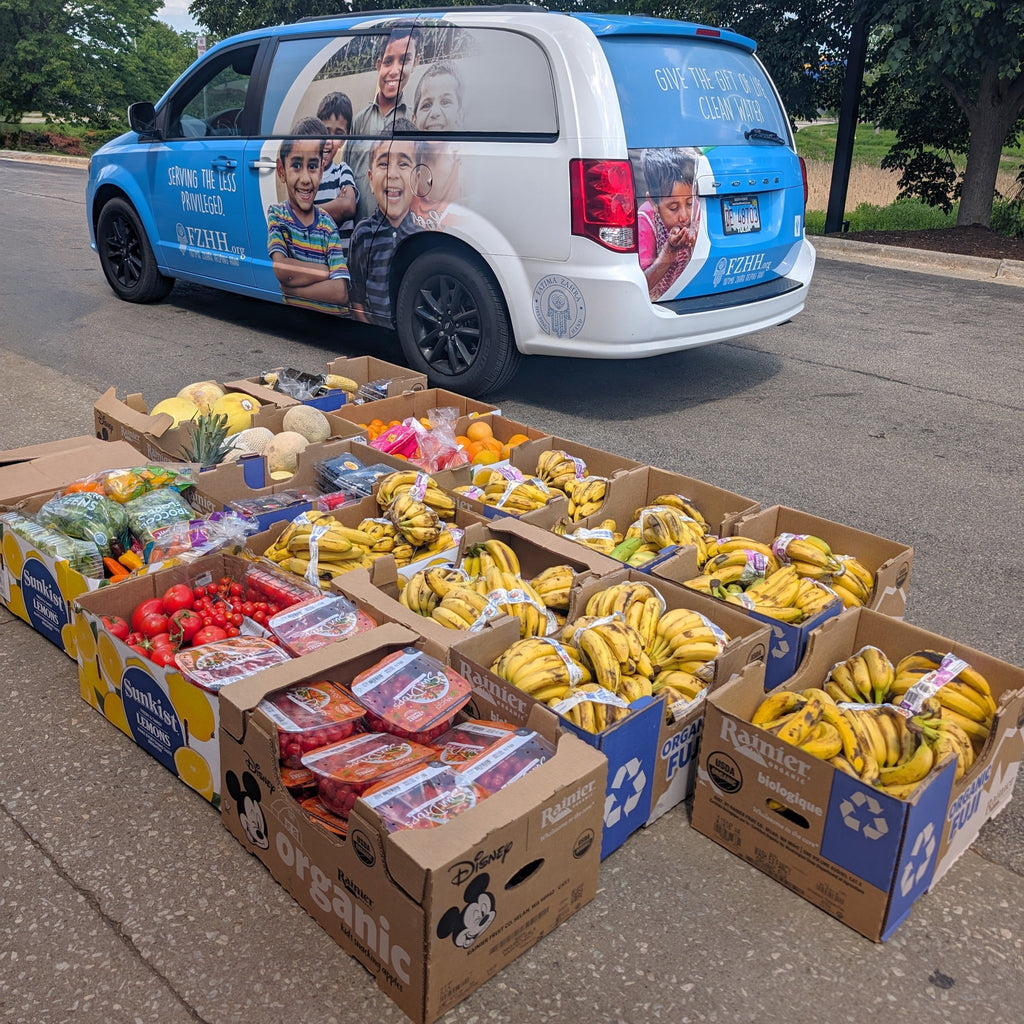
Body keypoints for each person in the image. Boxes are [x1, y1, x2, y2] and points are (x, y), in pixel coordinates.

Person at [266, 131, 349, 313]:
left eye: (312, 166)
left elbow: (340, 292)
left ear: (321, 171)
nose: (305, 179)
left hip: (332, 323)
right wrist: (326, 271)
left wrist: (292, 291)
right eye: (296, 165)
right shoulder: (277, 216)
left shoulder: (327, 225)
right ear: (281, 171)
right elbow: (281, 268)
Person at [345, 27, 422, 225]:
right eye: (388, 61)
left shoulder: (414, 120)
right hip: (362, 228)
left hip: (400, 230)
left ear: (415, 62)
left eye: (404, 60)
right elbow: (347, 174)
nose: (395, 71)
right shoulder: (359, 121)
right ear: (379, 65)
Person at [348, 119, 421, 324]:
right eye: (383, 164)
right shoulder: (362, 235)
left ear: (417, 180)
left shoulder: (422, 235)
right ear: (371, 180)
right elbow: (356, 297)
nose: (392, 174)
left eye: (403, 163)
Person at [637, 147, 701, 301]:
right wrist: (669, 251)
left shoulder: (696, 211)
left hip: (687, 294)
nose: (684, 216)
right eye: (673, 208)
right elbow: (642, 284)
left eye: (689, 203)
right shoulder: (646, 220)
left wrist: (700, 242)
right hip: (658, 299)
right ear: (653, 203)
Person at [410, 61, 464, 232]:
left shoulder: (467, 170)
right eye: (426, 105)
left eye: (446, 102)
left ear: (459, 115)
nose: (434, 113)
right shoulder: (404, 167)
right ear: (414, 119)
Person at [311, 94, 359, 254]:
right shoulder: (306, 175)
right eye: (325, 131)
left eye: (338, 133)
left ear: (344, 139)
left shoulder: (342, 171)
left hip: (341, 261)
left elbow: (347, 207)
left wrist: (307, 211)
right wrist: (335, 204)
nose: (329, 141)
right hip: (314, 259)